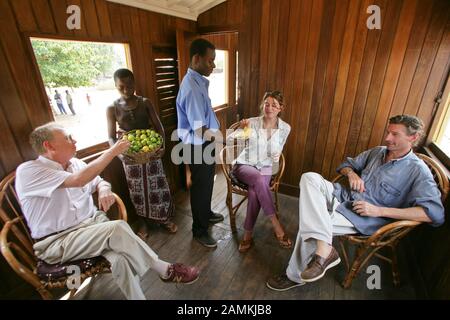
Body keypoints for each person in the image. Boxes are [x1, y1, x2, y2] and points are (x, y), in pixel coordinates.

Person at [15, 122, 200, 300]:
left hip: (92, 227)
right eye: (68, 138)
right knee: (117, 228)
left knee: (119, 259)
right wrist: (113, 151)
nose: (74, 140)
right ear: (49, 146)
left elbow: (98, 181)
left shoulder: (76, 163)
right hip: (59, 241)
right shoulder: (29, 171)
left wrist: (104, 188)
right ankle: (166, 270)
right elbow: (79, 180)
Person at [266, 114, 445, 291]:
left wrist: (380, 211)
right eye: (388, 132)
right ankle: (325, 249)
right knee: (310, 178)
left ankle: (294, 276)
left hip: (362, 218)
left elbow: (433, 213)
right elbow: (345, 164)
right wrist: (351, 174)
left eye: (395, 134)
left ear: (413, 138)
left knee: (314, 224)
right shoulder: (378, 152)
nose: (387, 138)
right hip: (344, 197)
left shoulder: (418, 171)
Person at [106, 68, 177, 241]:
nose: (126, 89)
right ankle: (144, 222)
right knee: (137, 192)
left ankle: (164, 218)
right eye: (121, 86)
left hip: (150, 152)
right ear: (115, 86)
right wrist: (119, 155)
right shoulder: (112, 108)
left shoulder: (145, 102)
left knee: (158, 186)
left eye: (129, 85)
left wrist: (163, 147)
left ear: (134, 83)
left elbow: (159, 127)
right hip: (129, 157)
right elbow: (109, 136)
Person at [229, 91, 292, 253]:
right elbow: (231, 139)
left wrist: (275, 154)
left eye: (274, 105)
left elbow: (278, 151)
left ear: (280, 108)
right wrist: (243, 130)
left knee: (254, 192)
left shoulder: (285, 128)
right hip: (245, 164)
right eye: (266, 104)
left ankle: (247, 235)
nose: (269, 108)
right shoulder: (252, 122)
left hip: (266, 166)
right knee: (257, 178)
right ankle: (276, 224)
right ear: (262, 105)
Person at [176, 38, 224, 248]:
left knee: (207, 183)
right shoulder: (192, 87)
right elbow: (198, 128)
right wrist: (222, 138)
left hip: (204, 143)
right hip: (197, 146)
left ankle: (206, 213)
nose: (213, 65)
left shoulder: (198, 81)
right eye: (210, 61)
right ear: (196, 59)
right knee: (200, 187)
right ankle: (199, 230)